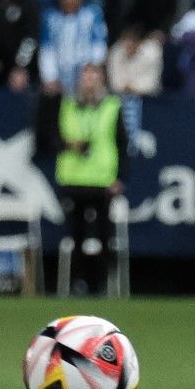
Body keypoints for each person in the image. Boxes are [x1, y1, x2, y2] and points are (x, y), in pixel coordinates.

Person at [37, 62, 127, 295]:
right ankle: (80, 282)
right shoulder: (66, 104)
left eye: (94, 77)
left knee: (105, 234)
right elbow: (47, 135)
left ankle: (102, 282)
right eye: (86, 77)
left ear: (101, 80)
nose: (90, 82)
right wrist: (69, 145)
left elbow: (122, 143)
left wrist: (120, 176)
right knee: (75, 235)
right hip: (73, 179)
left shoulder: (111, 106)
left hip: (102, 180)